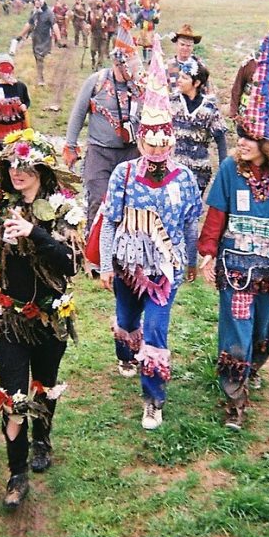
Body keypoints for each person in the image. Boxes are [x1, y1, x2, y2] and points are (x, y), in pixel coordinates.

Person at [198, 36, 269, 429]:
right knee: (237, 325)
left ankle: (253, 364)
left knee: (265, 326)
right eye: (239, 137)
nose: (241, 145)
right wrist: (209, 251)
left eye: (248, 139)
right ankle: (234, 394)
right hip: (237, 267)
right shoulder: (230, 171)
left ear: (267, 142)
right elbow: (216, 212)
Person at [99, 35, 202, 429]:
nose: (158, 147)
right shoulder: (123, 174)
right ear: (141, 138)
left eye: (165, 139)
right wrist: (108, 264)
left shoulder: (186, 178)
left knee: (156, 332)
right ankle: (125, 350)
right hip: (127, 267)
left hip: (166, 269)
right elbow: (110, 221)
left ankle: (153, 399)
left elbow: (191, 223)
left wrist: (191, 261)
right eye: (150, 139)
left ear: (172, 138)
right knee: (127, 320)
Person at [0, 129, 86, 506]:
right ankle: (16, 475)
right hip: (10, 318)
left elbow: (71, 262)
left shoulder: (64, 209)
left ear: (44, 171)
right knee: (12, 396)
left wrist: (35, 233)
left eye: (27, 166)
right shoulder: (0, 206)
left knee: (43, 383)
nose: (18, 172)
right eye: (13, 164)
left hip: (50, 316)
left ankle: (42, 438)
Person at [63, 14, 143, 231]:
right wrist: (71, 144)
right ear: (119, 62)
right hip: (99, 153)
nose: (134, 69)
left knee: (128, 204)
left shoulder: (138, 86)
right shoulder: (97, 81)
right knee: (99, 201)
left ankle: (122, 253)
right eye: (130, 64)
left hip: (130, 154)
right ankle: (94, 253)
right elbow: (78, 113)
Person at [170, 56, 228, 194]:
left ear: (196, 83)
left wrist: (223, 169)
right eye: (180, 76)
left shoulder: (209, 108)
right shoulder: (171, 102)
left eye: (184, 78)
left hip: (199, 171)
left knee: (192, 212)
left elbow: (220, 139)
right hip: (172, 171)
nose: (179, 81)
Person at [0, 53, 31, 150]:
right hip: (0, 129)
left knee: (19, 152)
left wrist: (24, 106)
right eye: (2, 69)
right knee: (4, 155)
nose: (6, 73)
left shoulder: (20, 86)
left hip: (18, 128)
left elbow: (27, 101)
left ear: (12, 70)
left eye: (8, 68)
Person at [14, 0, 60, 86]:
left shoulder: (49, 13)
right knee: (37, 57)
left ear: (42, 2)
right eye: (35, 2)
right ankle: (40, 75)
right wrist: (20, 35)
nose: (37, 3)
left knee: (39, 57)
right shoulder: (34, 12)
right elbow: (29, 24)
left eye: (38, 1)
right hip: (36, 38)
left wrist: (58, 39)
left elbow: (54, 25)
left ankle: (40, 79)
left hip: (45, 39)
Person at [167, 23, 201, 89]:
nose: (185, 48)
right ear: (176, 45)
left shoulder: (199, 65)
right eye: (182, 44)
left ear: (193, 47)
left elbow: (208, 91)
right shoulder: (167, 66)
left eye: (189, 45)